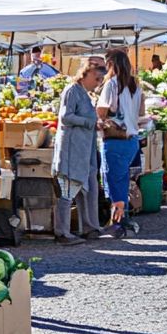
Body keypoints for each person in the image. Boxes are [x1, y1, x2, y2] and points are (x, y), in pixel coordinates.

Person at [96, 48, 147, 239]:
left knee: (114, 183)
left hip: (115, 140)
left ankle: (119, 223)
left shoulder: (112, 84)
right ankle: (121, 218)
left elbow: (102, 111)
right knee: (122, 181)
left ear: (111, 64)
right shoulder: (135, 84)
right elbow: (141, 112)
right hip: (132, 140)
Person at [52, 60, 104, 244]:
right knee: (68, 188)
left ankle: (90, 227)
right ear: (86, 73)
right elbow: (65, 117)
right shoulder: (72, 90)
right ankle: (62, 232)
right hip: (71, 150)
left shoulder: (84, 93)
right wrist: (90, 122)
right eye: (96, 78)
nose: (98, 82)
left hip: (85, 148)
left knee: (88, 188)